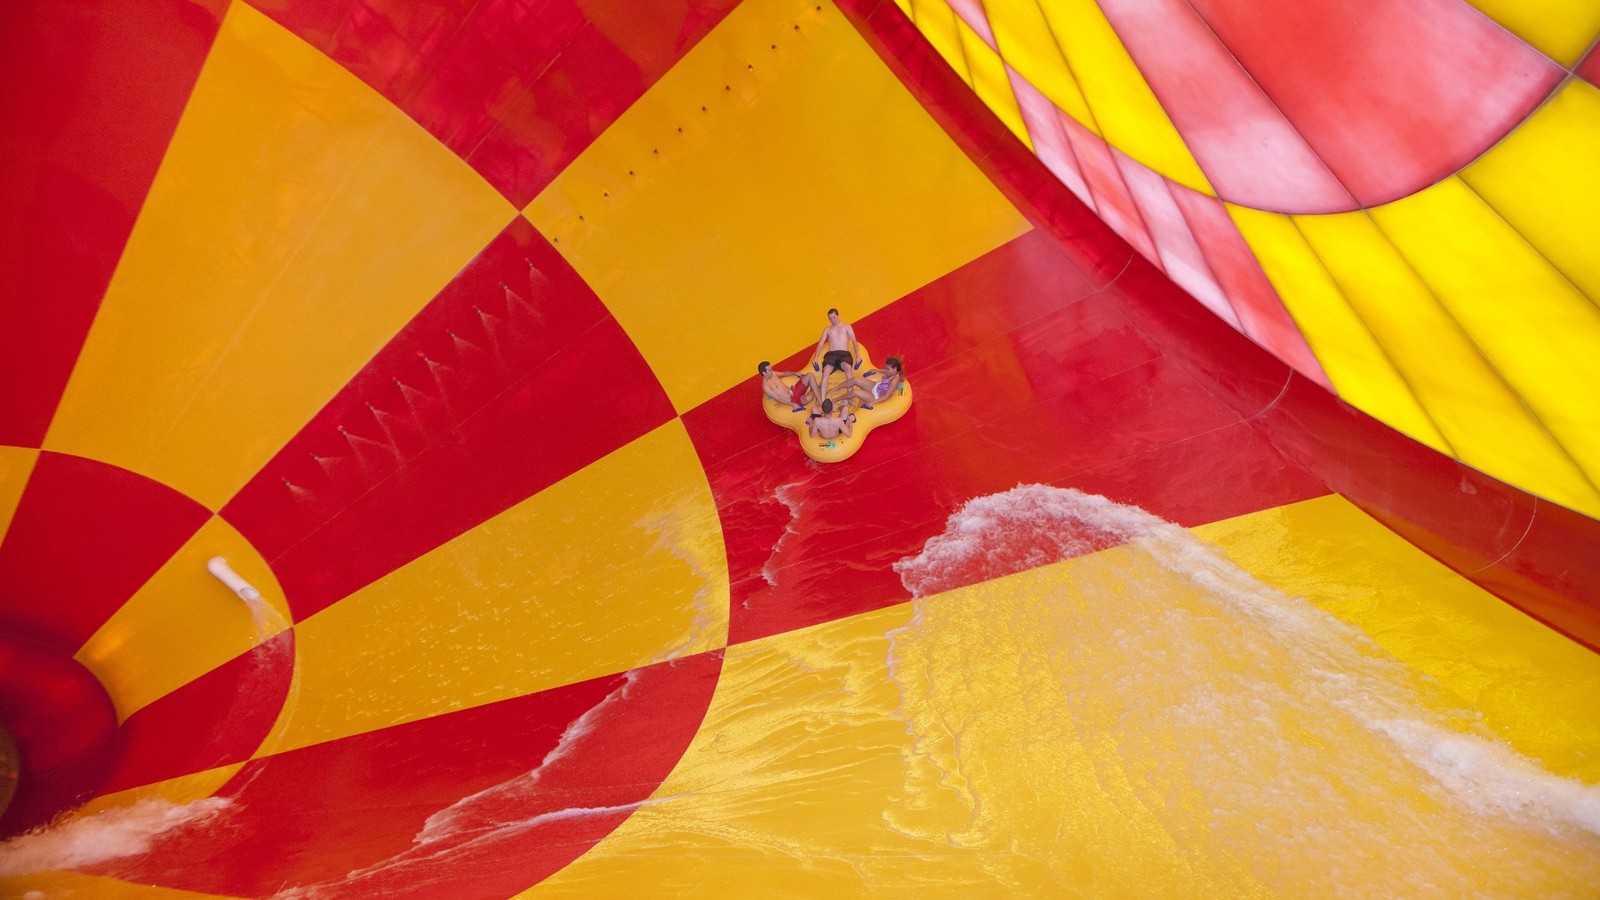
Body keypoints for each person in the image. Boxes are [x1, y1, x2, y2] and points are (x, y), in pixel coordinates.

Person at [811, 308, 859, 389]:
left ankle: (849, 398)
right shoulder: (827, 329)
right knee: (825, 373)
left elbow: (854, 341)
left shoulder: (846, 326)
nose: (833, 320)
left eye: (834, 317)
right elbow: (820, 344)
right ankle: (822, 399)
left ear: (838, 316)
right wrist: (815, 358)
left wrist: (858, 356)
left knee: (848, 369)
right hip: (832, 354)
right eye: (830, 318)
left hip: (844, 353)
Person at [834, 356, 903, 410]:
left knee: (855, 392)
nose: (886, 370)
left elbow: (886, 396)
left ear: (895, 369)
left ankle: (836, 399)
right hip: (877, 387)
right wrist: (876, 370)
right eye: (886, 368)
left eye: (888, 369)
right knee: (855, 379)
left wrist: (872, 403)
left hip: (877, 396)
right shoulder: (891, 372)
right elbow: (884, 371)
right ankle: (836, 388)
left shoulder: (894, 380)